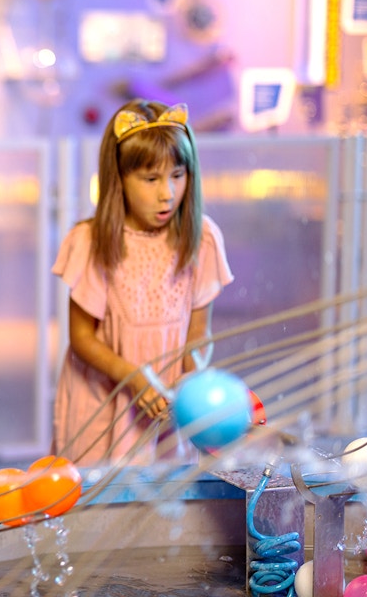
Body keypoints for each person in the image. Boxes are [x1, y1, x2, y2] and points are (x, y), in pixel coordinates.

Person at [51, 99, 233, 467]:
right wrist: (133, 379)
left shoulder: (202, 239)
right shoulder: (91, 240)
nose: (167, 192)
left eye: (177, 175)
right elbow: (82, 338)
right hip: (102, 402)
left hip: (166, 406)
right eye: (151, 179)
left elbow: (200, 332)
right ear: (119, 177)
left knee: (166, 509)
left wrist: (190, 379)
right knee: (95, 508)